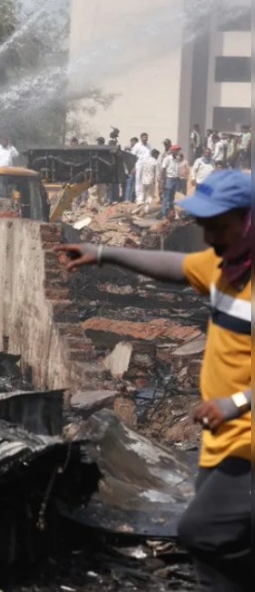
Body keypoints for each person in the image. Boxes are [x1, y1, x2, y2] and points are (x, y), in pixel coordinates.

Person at [54, 170, 251, 592]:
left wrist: (234, 403)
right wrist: (102, 252)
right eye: (204, 225)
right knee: (220, 551)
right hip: (222, 440)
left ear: (248, 221)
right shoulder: (226, 268)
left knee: (204, 531)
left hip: (247, 444)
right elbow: (177, 266)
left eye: (218, 225)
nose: (208, 235)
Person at [160, 145, 183, 219]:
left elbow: (176, 170)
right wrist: (162, 181)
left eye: (178, 150)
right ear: (172, 150)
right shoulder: (167, 159)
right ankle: (163, 214)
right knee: (166, 197)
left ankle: (171, 213)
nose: (177, 152)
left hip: (175, 179)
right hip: (169, 179)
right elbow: (163, 170)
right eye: (176, 150)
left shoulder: (177, 159)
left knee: (172, 198)